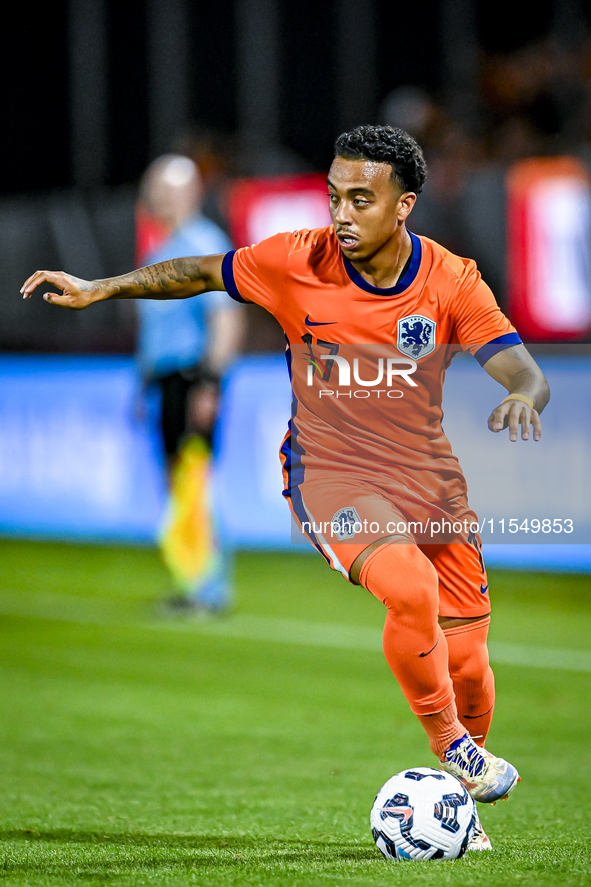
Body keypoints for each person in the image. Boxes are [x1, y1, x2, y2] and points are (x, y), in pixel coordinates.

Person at [22, 125, 550, 851]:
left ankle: (462, 801)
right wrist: (102, 286)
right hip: (329, 473)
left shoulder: (451, 279)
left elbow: (520, 366)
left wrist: (523, 394)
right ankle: (453, 748)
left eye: (360, 199)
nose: (340, 213)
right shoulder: (295, 260)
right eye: (334, 196)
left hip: (431, 485)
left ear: (404, 205)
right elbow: (198, 273)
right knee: (408, 590)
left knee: (468, 661)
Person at [136, 153, 244, 613]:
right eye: (156, 188)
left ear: (190, 193)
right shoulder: (160, 249)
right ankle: (192, 580)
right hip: (165, 381)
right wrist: (144, 384)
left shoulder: (203, 244)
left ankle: (210, 588)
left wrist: (210, 383)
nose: (159, 197)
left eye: (168, 189)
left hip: (192, 377)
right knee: (178, 485)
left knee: (193, 482)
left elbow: (226, 319)